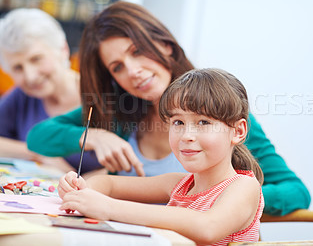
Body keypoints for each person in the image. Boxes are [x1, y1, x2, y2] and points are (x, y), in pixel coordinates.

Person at [27, 1, 310, 215]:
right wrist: (95, 137)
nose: (133, 71)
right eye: (118, 67)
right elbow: (38, 137)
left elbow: (295, 192)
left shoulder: (220, 115)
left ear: (166, 45)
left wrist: (220, 200)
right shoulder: (118, 109)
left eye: (137, 51)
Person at [59, 68, 265, 245]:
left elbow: (207, 227)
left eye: (203, 122)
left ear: (238, 131)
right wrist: (81, 191)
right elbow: (108, 184)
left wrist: (108, 207)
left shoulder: (244, 187)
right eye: (178, 122)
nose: (186, 136)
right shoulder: (177, 184)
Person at [0, 8, 101, 173]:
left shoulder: (103, 95)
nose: (30, 76)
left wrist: (83, 185)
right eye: (18, 67)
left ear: (63, 50)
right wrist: (37, 152)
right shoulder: (21, 96)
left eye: (36, 59)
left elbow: (130, 168)